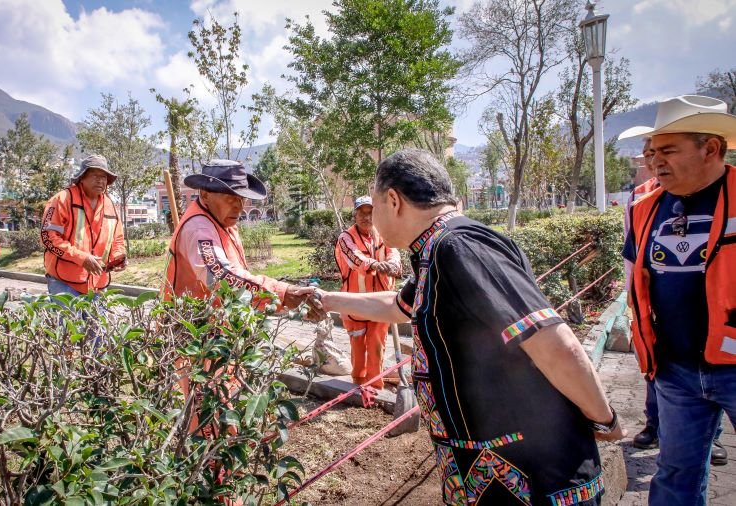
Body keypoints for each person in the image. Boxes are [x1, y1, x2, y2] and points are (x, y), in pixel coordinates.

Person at [312, 149, 622, 505]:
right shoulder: (434, 252)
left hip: (536, 477)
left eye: (377, 205)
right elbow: (398, 306)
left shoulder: (460, 248)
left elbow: (554, 343)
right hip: (494, 476)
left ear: (393, 200)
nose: (375, 218)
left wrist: (605, 420)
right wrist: (329, 300)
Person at [620, 94, 736, 505]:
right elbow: (638, 278)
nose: (655, 162)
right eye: (652, 152)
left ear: (711, 148)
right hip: (675, 371)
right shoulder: (644, 208)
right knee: (675, 475)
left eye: (668, 150)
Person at [160, 159, 317, 310]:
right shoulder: (199, 228)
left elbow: (237, 277)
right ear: (205, 194)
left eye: (241, 198)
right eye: (230, 198)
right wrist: (282, 293)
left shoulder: (224, 222)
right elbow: (220, 277)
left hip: (221, 325)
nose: (239, 207)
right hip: (193, 330)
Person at [335, 196, 401, 391]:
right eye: (361, 213)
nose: (366, 217)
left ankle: (375, 387)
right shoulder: (345, 238)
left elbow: (394, 254)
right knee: (358, 343)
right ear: (354, 214)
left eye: (370, 212)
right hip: (355, 303)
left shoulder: (383, 235)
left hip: (380, 302)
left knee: (377, 344)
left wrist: (393, 265)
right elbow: (355, 258)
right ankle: (358, 384)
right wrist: (376, 265)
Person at [40, 154, 126, 296]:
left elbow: (117, 239)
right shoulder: (62, 199)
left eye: (104, 177)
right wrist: (81, 258)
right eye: (95, 175)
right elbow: (48, 237)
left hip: (98, 283)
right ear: (82, 177)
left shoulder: (109, 204)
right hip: (64, 282)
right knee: (68, 319)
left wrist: (119, 257)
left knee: (98, 319)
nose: (100, 180)